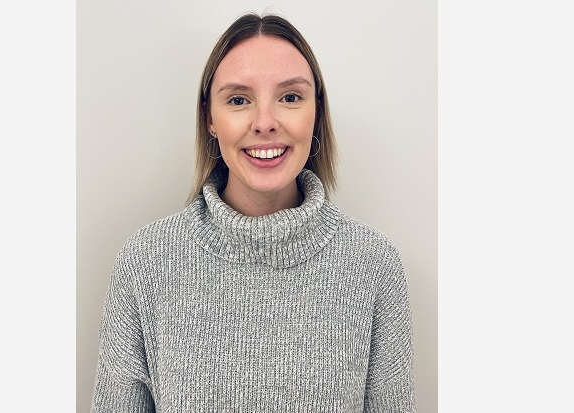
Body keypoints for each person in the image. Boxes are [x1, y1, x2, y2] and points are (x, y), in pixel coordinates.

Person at [91, 12, 416, 412]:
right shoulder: (145, 262)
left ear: (316, 111)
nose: (264, 123)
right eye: (239, 100)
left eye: (290, 97)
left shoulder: (372, 264)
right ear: (210, 117)